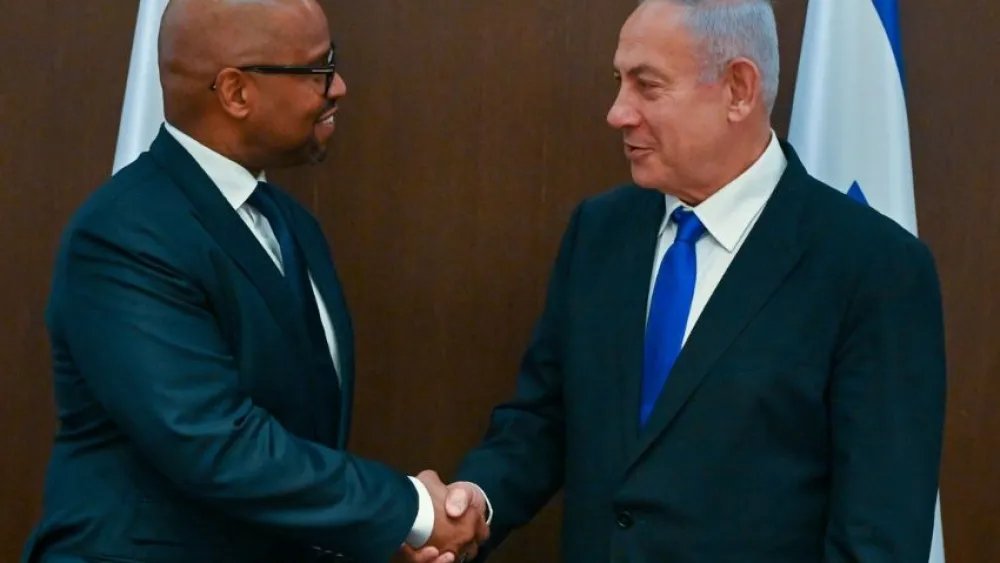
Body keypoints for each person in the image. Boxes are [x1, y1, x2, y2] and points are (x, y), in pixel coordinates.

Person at [420, 0, 948, 561]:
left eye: (647, 87)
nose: (617, 113)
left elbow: (878, 536)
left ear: (738, 89)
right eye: (618, 82)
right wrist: (473, 503)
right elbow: (544, 418)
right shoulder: (600, 233)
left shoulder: (874, 268)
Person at [22, 1, 485, 562]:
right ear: (236, 93)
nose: (337, 87)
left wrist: (371, 536)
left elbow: (297, 446)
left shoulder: (293, 227)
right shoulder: (125, 234)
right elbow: (213, 443)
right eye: (317, 69)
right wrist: (411, 512)